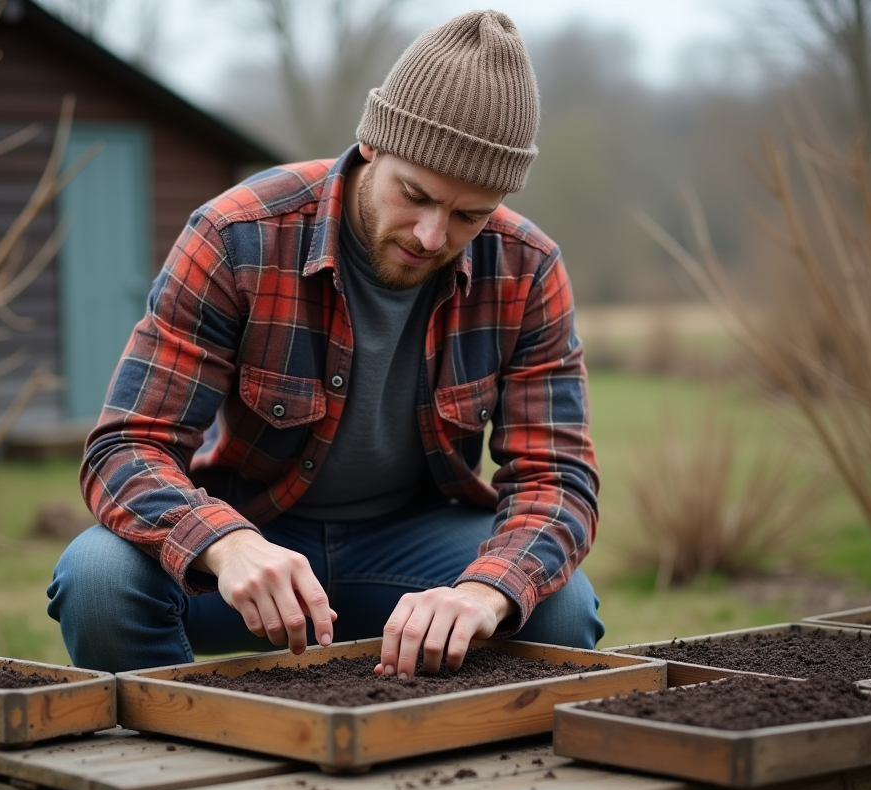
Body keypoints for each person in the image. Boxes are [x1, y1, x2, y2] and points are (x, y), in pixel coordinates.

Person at [47, 9, 604, 678]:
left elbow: (557, 477)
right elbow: (127, 446)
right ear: (372, 144)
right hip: (251, 536)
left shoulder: (527, 268)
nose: (431, 235)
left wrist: (483, 591)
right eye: (415, 195)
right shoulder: (237, 235)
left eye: (468, 215)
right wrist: (223, 544)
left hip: (418, 553)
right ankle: (188, 760)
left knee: (562, 609)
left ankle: (435, 764)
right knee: (99, 579)